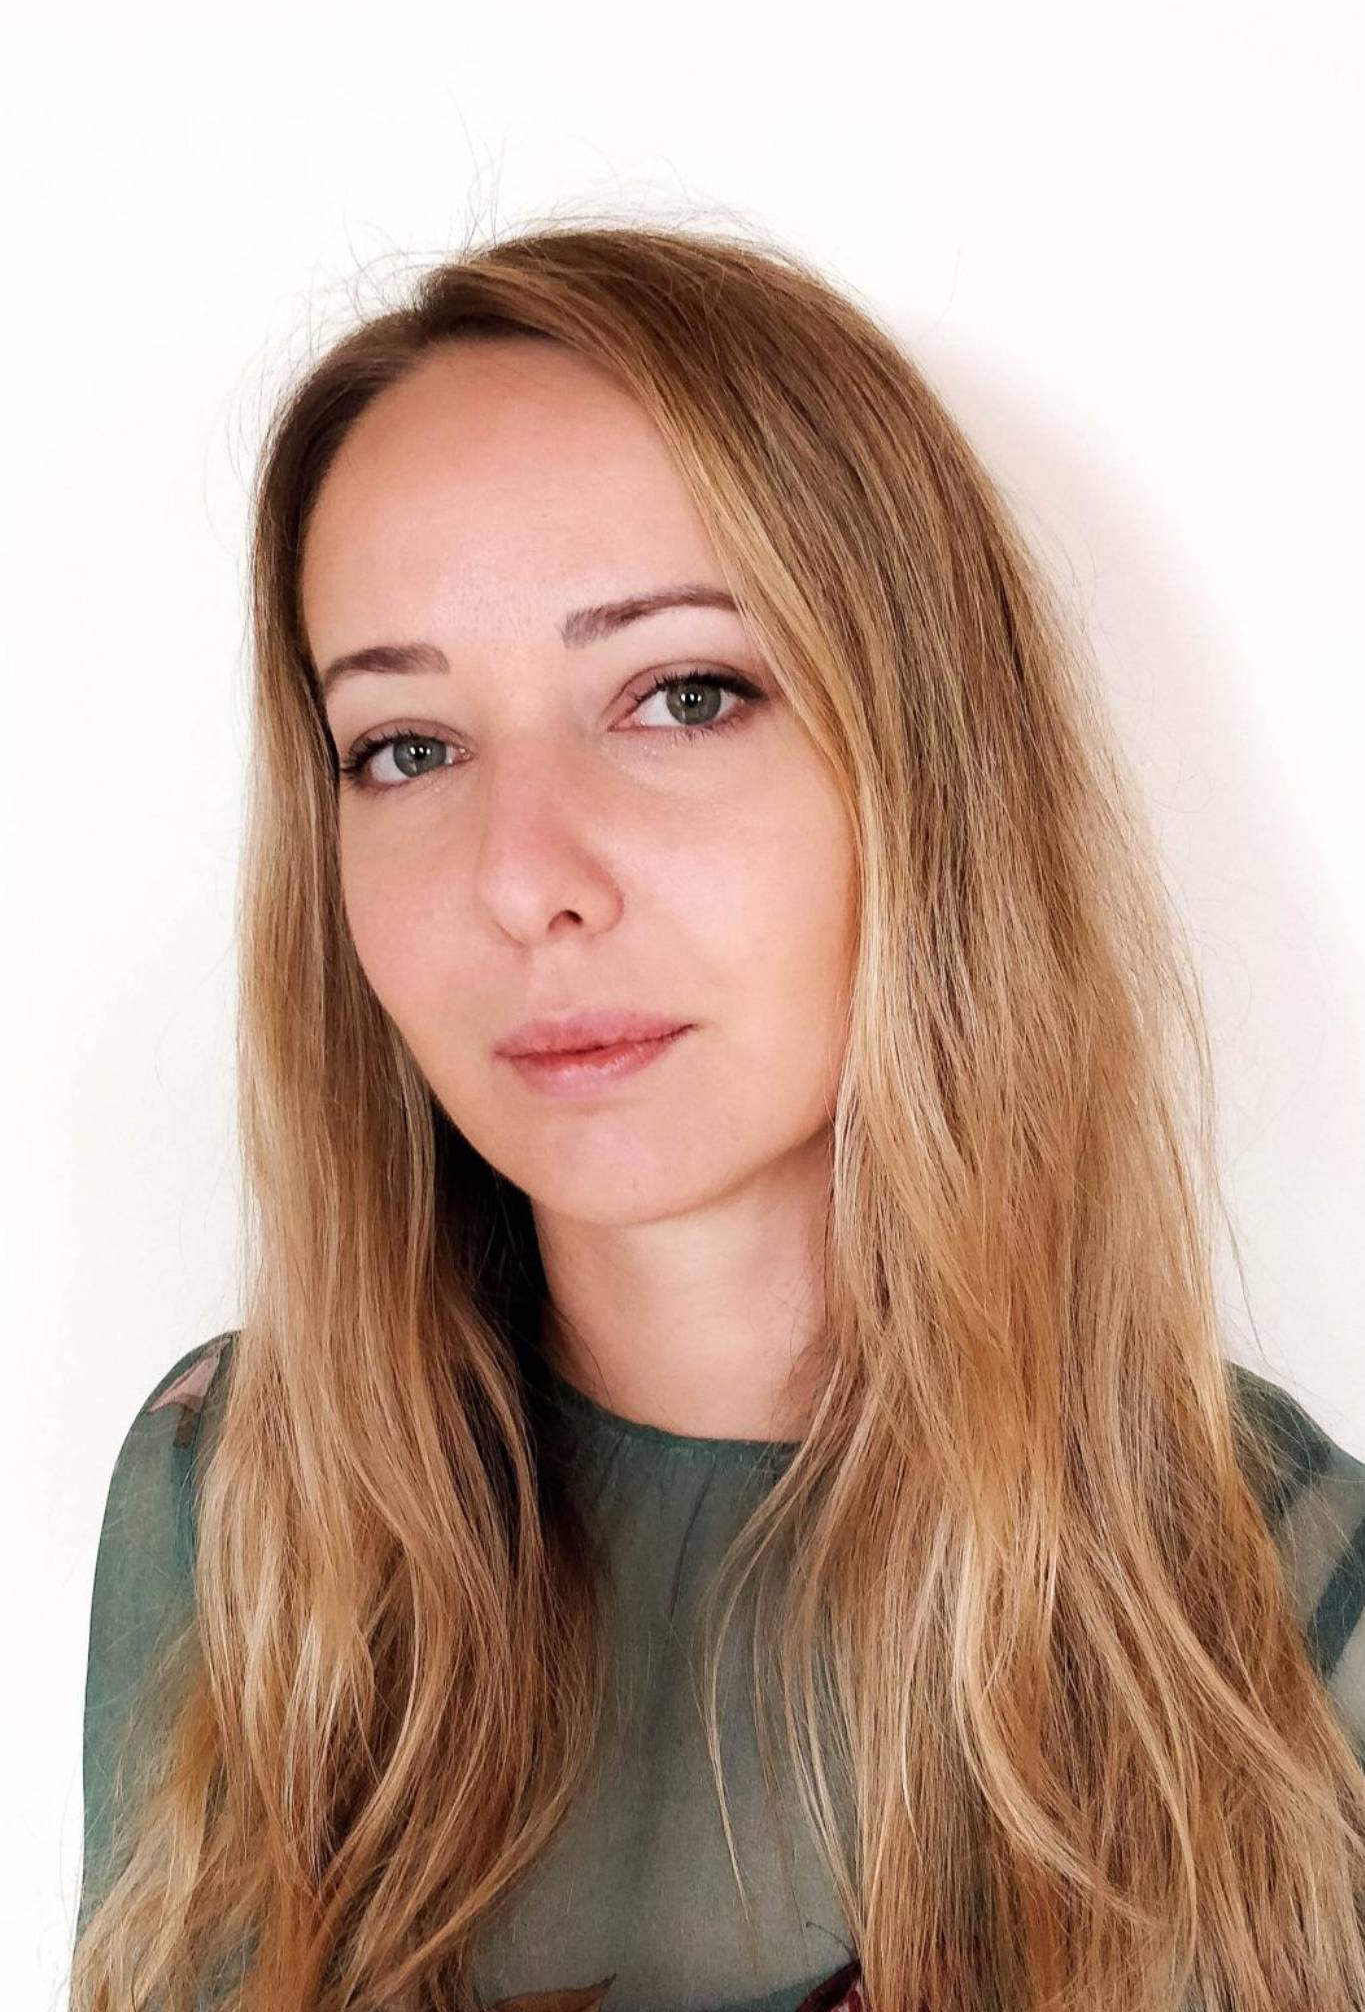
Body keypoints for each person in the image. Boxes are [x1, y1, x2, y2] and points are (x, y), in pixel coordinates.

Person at [69, 220, 1365, 2012]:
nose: (523, 878)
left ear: (927, 768)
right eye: (406, 748)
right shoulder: (238, 1513)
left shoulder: (1284, 1601)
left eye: (684, 697)